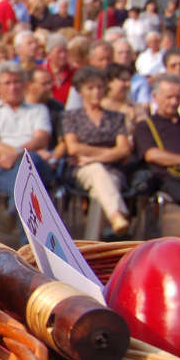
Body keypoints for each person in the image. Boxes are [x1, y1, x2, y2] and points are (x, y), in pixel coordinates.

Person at [62, 67, 133, 238]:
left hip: (112, 170)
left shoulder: (116, 117)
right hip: (81, 170)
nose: (96, 92)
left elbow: (124, 149)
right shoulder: (71, 116)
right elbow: (73, 147)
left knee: (100, 182)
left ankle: (93, 241)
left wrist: (92, 157)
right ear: (80, 91)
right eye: (90, 88)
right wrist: (109, 152)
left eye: (100, 87)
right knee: (97, 171)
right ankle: (117, 216)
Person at [0, 63, 55, 211]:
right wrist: (17, 153)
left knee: (30, 161)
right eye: (7, 83)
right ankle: (20, 208)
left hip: (35, 165)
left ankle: (16, 208)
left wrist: (19, 154)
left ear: (25, 85)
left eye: (17, 82)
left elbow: (42, 139)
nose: (13, 87)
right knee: (29, 182)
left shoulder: (38, 110)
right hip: (2, 167)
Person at [134, 74, 180, 236]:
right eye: (169, 97)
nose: (174, 102)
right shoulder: (146, 126)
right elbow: (151, 155)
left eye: (177, 97)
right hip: (167, 178)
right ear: (155, 97)